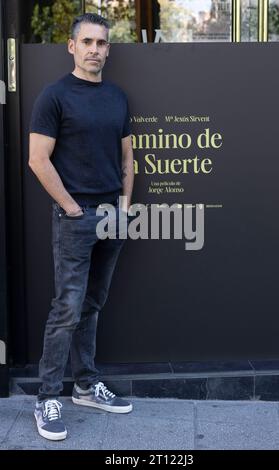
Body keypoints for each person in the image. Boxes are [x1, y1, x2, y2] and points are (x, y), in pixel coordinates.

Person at [29, 13, 134, 441]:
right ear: (72, 46)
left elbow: (128, 158)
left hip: (112, 216)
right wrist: (73, 208)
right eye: (87, 41)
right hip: (75, 217)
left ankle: (87, 386)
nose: (95, 49)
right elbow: (38, 159)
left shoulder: (117, 96)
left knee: (93, 303)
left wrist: (125, 208)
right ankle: (48, 397)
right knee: (67, 308)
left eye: (102, 43)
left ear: (109, 49)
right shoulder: (54, 96)